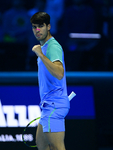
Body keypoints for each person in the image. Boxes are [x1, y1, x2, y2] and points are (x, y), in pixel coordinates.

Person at [30, 12, 70, 150]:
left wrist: (40, 54)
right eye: (34, 27)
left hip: (55, 105)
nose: (37, 30)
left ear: (49, 27)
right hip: (48, 105)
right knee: (42, 144)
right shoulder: (45, 46)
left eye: (41, 26)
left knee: (57, 146)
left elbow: (59, 73)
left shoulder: (52, 47)